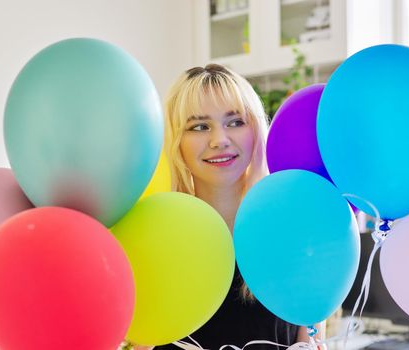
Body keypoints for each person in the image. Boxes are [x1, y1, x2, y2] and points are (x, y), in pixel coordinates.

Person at [136, 64, 325, 350]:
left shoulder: (291, 228)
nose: (219, 140)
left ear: (256, 130)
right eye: (199, 127)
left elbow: (311, 332)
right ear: (176, 143)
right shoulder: (156, 237)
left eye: (235, 122)